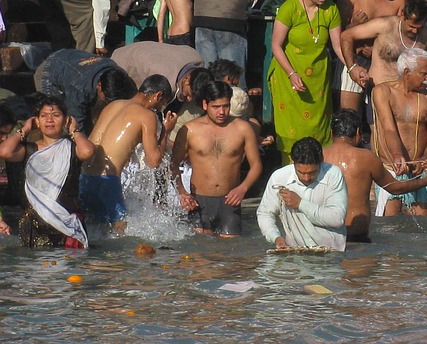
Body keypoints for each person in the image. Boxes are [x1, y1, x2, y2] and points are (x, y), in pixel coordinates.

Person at [0, 94, 94, 248]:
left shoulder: (71, 148)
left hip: (67, 225)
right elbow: (4, 151)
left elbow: (88, 151)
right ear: (36, 121)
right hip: (35, 225)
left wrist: (74, 130)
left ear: (66, 120)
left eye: (56, 115)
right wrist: (24, 129)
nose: (49, 120)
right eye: (44, 116)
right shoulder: (29, 149)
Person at [82, 74, 174, 231]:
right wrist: (166, 131)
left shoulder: (113, 105)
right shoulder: (147, 116)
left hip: (84, 178)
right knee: (119, 236)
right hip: (108, 181)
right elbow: (153, 161)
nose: (160, 109)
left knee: (91, 233)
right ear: (158, 95)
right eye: (162, 104)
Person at [172, 80, 263, 236]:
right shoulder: (189, 130)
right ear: (205, 104)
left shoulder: (243, 129)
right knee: (200, 255)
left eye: (226, 106)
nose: (222, 112)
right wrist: (182, 192)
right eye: (216, 107)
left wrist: (243, 188)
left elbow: (256, 165)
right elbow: (173, 164)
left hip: (229, 201)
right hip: (199, 202)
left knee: (231, 255)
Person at [267, 0, 340, 158]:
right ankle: (289, 171)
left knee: (319, 127)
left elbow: (338, 46)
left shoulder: (331, 10)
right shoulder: (290, 8)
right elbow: (276, 46)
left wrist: (353, 67)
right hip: (288, 75)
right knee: (292, 127)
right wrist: (292, 73)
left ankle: (317, 172)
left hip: (318, 79)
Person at [322, 109, 427, 241]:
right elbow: (395, 188)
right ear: (358, 132)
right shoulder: (367, 158)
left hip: (325, 235)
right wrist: (426, 180)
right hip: (357, 236)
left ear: (331, 133)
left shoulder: (319, 156)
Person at [370, 47, 427, 217]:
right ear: (407, 72)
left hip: (420, 170)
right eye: (424, 74)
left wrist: (424, 160)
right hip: (392, 169)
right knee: (390, 225)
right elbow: (389, 129)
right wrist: (397, 155)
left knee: (421, 228)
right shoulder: (382, 92)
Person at [257, 136, 349, 251]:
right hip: (295, 253)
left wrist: (300, 203)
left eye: (312, 172)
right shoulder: (279, 177)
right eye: (301, 172)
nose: (306, 178)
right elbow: (265, 213)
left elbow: (337, 218)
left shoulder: (334, 175)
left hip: (331, 254)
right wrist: (275, 237)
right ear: (292, 161)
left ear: (321, 161)